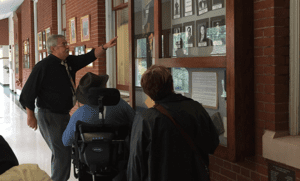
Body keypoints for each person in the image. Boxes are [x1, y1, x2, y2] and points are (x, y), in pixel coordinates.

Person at [19, 34, 117, 181]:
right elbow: (29, 91)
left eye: (67, 43)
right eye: (64, 44)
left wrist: (105, 46)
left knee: (60, 151)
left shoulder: (68, 62)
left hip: (64, 115)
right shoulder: (43, 66)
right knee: (62, 153)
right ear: (53, 48)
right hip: (49, 115)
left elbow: (89, 57)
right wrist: (30, 115)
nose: (67, 46)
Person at [127, 65, 219, 181]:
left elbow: (136, 164)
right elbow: (212, 144)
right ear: (171, 85)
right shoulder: (196, 108)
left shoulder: (145, 119)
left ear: (147, 91)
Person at [62, 72, 135, 147]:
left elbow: (66, 141)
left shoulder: (79, 114)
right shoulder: (120, 104)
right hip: (121, 155)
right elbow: (136, 123)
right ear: (103, 87)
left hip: (89, 157)